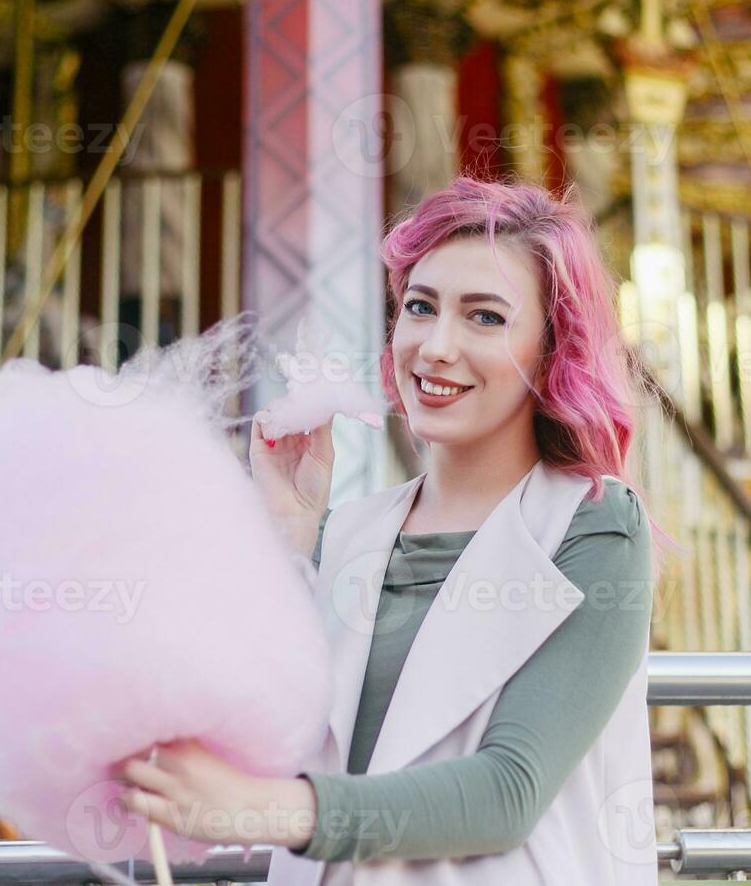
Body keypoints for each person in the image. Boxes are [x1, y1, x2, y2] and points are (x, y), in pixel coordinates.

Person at [118, 176, 665, 884]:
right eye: (419, 307)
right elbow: (265, 736)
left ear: (551, 350)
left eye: (485, 318)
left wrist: (268, 811)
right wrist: (291, 538)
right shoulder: (347, 531)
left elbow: (507, 792)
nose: (436, 347)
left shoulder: (591, 524)